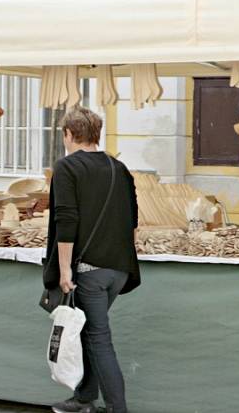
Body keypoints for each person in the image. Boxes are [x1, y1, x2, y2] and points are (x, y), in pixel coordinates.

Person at [43, 106, 140, 413]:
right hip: (119, 269)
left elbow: (66, 222)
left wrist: (64, 270)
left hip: (88, 270)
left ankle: (116, 408)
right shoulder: (119, 168)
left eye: (65, 135)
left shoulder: (67, 168)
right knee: (86, 330)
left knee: (98, 339)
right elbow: (133, 220)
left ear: (69, 134)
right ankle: (84, 398)